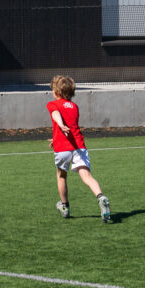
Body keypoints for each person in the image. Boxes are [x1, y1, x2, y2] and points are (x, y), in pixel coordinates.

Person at [47, 75, 111, 223]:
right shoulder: (75, 107)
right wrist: (57, 136)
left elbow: (56, 114)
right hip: (79, 146)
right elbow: (71, 126)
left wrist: (61, 125)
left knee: (61, 176)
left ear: (57, 92)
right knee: (87, 176)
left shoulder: (52, 104)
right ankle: (101, 197)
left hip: (63, 148)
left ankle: (65, 206)